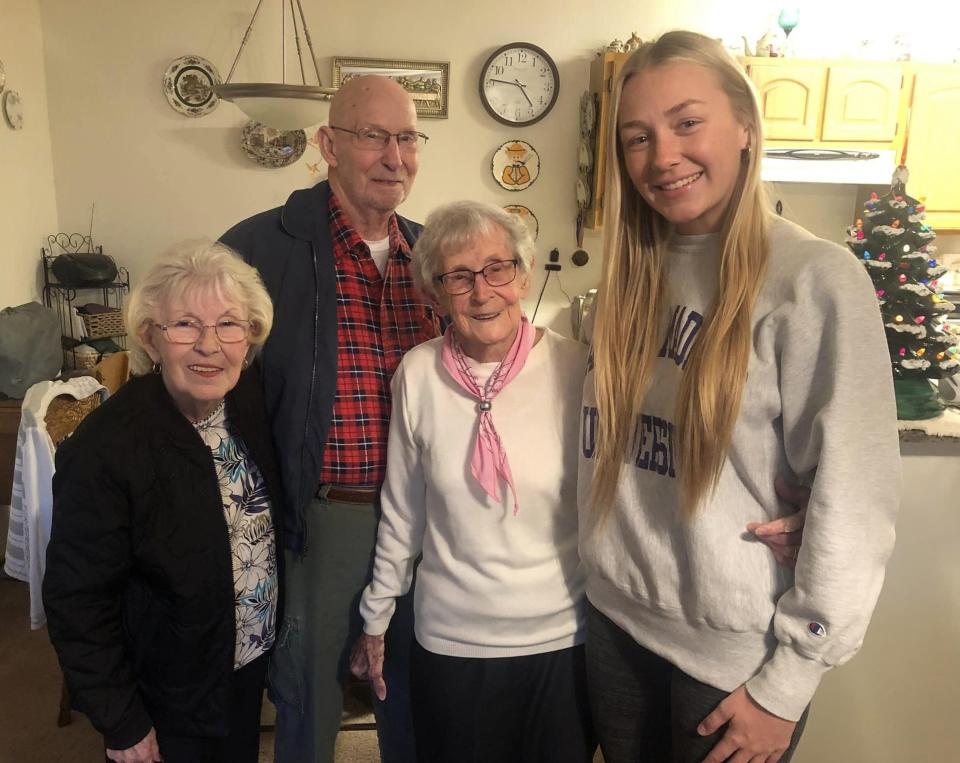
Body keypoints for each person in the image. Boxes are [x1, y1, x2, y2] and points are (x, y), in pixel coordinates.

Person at [579, 30, 900, 763]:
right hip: (614, 622)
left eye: (687, 122)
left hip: (730, 658)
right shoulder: (629, 281)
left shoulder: (813, 279)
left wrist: (788, 682)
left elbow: (857, 496)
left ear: (746, 127)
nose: (662, 156)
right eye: (637, 137)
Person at [220, 75, 436, 763]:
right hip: (324, 518)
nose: (393, 156)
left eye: (407, 138)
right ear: (330, 145)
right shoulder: (258, 248)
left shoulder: (434, 256)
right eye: (374, 136)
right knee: (308, 697)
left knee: (413, 689)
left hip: (429, 519)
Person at [349, 201, 595, 762]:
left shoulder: (578, 370)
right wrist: (377, 615)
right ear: (434, 296)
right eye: (458, 276)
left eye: (496, 269)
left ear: (523, 273)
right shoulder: (417, 374)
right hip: (452, 641)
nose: (482, 292)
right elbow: (403, 510)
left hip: (561, 639)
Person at [43, 241, 282, 763]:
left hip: (242, 665)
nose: (209, 345)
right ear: (151, 338)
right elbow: (77, 598)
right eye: (185, 325)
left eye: (228, 324)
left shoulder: (244, 402)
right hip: (167, 692)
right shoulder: (106, 448)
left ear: (250, 336)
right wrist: (121, 719)